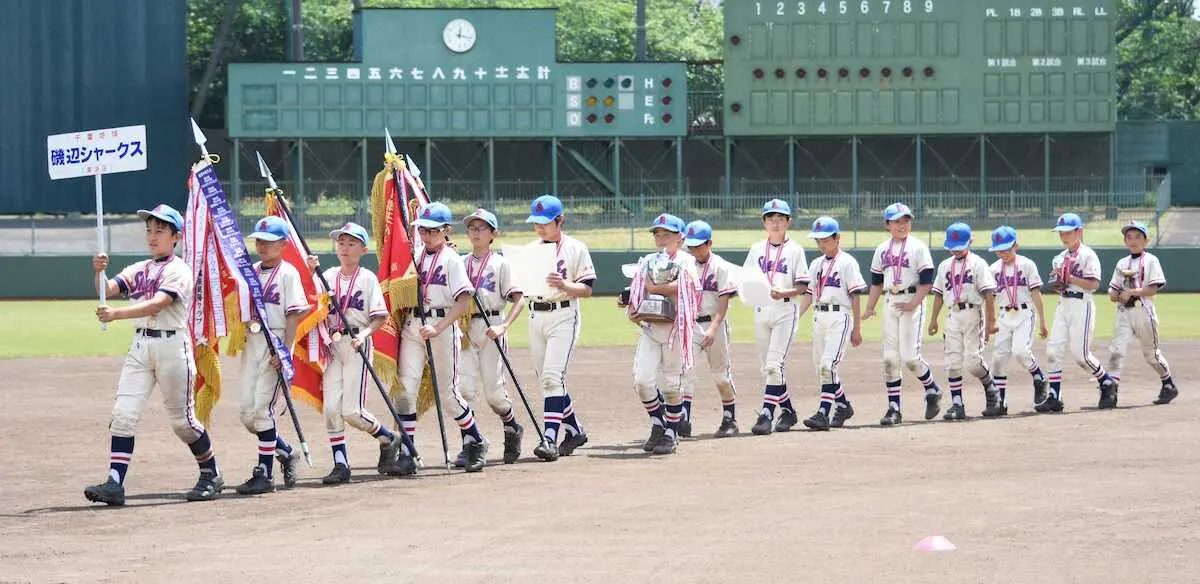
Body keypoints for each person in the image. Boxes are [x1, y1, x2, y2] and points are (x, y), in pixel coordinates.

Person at [84, 204, 224, 506]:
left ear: (175, 237)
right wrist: (99, 271)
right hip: (140, 348)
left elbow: (158, 304)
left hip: (173, 348)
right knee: (123, 416)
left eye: (160, 230)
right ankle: (114, 483)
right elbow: (106, 289)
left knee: (182, 422)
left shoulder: (179, 269)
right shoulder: (140, 269)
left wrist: (116, 314)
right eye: (149, 229)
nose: (152, 235)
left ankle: (211, 473)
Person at [308, 222, 411, 484]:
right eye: (341, 242)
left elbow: (379, 316)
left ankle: (388, 437)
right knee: (331, 409)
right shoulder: (327, 276)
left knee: (351, 411)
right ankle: (341, 464)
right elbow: (312, 304)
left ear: (363, 249)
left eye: (351, 243)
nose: (344, 247)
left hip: (357, 344)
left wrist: (364, 335)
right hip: (332, 347)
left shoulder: (367, 278)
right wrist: (310, 273)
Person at [235, 216, 308, 495]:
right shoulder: (251, 271)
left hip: (275, 341)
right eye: (259, 241)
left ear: (283, 244)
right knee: (247, 414)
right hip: (252, 341)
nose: (262, 246)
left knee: (263, 411)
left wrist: (285, 351)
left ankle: (264, 473)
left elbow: (294, 315)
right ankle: (286, 451)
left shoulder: (288, 273)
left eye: (269, 241)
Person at [524, 194, 595, 461]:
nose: (540, 228)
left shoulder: (575, 248)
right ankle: (575, 430)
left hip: (564, 315)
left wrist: (565, 285)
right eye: (536, 223)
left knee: (553, 378)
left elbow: (587, 289)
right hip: (536, 316)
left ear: (560, 220)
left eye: (545, 222)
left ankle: (549, 439)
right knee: (547, 381)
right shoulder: (530, 250)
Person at [863, 202, 942, 426]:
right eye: (897, 221)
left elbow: (926, 282)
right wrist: (870, 307)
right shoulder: (881, 249)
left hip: (912, 302)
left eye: (906, 220)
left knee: (909, 358)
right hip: (890, 302)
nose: (902, 225)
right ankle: (894, 408)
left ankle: (932, 389)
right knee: (890, 358)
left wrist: (914, 303)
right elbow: (877, 283)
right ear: (887, 224)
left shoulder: (918, 247)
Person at [459, 208, 527, 465]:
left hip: (492, 324)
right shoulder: (460, 262)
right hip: (465, 328)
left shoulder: (501, 264)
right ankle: (470, 443)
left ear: (493, 234)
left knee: (494, 394)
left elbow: (519, 300)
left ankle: (512, 427)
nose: (475, 232)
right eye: (472, 228)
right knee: (463, 390)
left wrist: (504, 326)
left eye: (481, 228)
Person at [742, 199, 809, 436]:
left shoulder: (795, 250)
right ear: (764, 222)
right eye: (771, 218)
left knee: (773, 365)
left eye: (781, 218)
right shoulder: (756, 249)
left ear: (788, 222)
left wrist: (784, 292)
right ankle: (788, 410)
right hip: (762, 310)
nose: (775, 222)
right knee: (767, 368)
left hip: (785, 309)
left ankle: (766, 413)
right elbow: (747, 277)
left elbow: (802, 286)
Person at [1040, 212, 1118, 412]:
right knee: (1053, 350)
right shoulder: (1059, 258)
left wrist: (1071, 278)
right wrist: (1057, 281)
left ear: (1079, 231)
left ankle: (1107, 382)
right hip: (1063, 304)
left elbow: (1093, 284)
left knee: (1081, 355)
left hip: (1082, 305)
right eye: (1060, 232)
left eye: (1067, 231)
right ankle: (1054, 397)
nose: (1063, 236)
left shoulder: (1088, 255)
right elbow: (1058, 287)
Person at [797, 217, 865, 431]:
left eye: (825, 240)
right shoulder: (816, 264)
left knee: (828, 365)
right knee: (821, 369)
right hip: (820, 317)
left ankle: (823, 412)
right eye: (818, 240)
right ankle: (843, 405)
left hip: (840, 316)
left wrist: (857, 328)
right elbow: (809, 295)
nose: (821, 244)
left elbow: (855, 295)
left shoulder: (847, 262)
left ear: (837, 238)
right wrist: (794, 317)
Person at [927, 223, 998, 420]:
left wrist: (991, 321)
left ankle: (991, 388)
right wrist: (933, 319)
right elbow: (939, 295)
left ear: (970, 242)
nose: (956, 248)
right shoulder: (944, 266)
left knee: (973, 362)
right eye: (953, 245)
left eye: (960, 244)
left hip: (973, 313)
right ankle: (957, 404)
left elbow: (989, 294)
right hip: (952, 316)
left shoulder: (978, 263)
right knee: (953, 362)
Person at [1105, 220, 1177, 406]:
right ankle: (1111, 392)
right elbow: (1112, 291)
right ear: (1125, 241)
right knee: (1117, 350)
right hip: (1124, 313)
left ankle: (1168, 384)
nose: (1133, 240)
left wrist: (1132, 292)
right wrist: (1116, 295)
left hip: (1144, 312)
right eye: (1129, 237)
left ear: (1146, 240)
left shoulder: (1151, 260)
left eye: (1137, 237)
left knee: (1151, 355)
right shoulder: (1122, 263)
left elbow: (1152, 289)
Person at [681, 220, 739, 438]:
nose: (694, 250)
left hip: (714, 323)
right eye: (691, 246)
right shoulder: (686, 265)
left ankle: (729, 419)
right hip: (691, 324)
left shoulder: (721, 267)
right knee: (685, 371)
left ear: (709, 243)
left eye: (698, 245)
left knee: (720, 375)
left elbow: (724, 304)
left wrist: (713, 329)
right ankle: (683, 419)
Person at [986, 226, 1049, 416]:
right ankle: (1000, 403)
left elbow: (1036, 294)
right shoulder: (993, 269)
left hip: (1024, 313)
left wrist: (1043, 321)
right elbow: (990, 299)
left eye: (1006, 248)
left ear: (1016, 245)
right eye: (999, 249)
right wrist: (989, 323)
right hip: (1004, 316)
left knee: (1021, 351)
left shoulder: (1027, 265)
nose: (1002, 252)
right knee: (998, 359)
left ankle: (1039, 378)